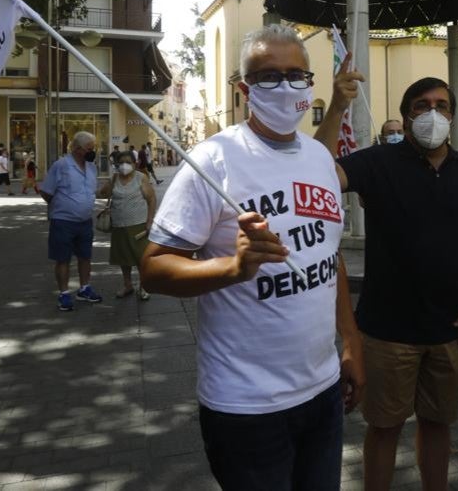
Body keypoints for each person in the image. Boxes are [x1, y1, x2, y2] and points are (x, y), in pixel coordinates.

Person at [140, 24, 364, 490]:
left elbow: (329, 259)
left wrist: (351, 342)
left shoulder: (320, 160)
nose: (285, 87)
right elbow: (154, 268)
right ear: (244, 90)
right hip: (246, 407)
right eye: (268, 76)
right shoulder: (213, 160)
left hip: (322, 394)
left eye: (296, 75)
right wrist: (233, 268)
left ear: (310, 83)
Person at [317, 65, 458, 491]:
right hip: (386, 330)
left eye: (442, 106)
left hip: (450, 329)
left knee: (437, 425)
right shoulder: (377, 163)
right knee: (384, 429)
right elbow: (314, 171)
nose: (433, 114)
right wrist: (338, 106)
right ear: (406, 115)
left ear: (453, 116)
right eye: (422, 107)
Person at [39, 132, 104, 311]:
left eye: (93, 148)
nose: (93, 152)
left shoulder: (92, 168)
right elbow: (46, 191)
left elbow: (91, 191)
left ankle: (84, 288)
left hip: (85, 222)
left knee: (85, 257)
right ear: (76, 148)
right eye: (89, 148)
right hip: (63, 222)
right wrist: (61, 207)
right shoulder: (61, 166)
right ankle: (64, 294)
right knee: (63, 259)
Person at [102, 151, 156, 301]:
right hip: (119, 225)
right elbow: (102, 193)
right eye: (122, 162)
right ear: (117, 165)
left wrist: (149, 221)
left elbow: (151, 199)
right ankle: (127, 285)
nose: (125, 165)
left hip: (138, 225)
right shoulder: (114, 178)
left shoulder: (141, 178)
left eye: (128, 162)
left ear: (135, 163)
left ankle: (143, 286)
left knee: (140, 258)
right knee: (123, 258)